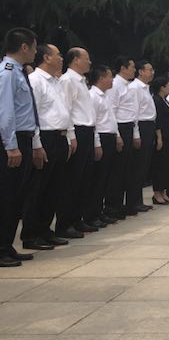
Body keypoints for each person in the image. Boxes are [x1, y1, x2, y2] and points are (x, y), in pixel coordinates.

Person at [21, 45, 74, 249]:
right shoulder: (35, 80)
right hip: (45, 137)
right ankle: (31, 234)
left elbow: (64, 110)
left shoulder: (56, 82)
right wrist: (36, 143)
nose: (61, 58)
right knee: (38, 188)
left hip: (59, 137)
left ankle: (45, 229)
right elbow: (32, 114)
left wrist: (68, 137)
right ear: (46, 58)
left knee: (54, 188)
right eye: (58, 55)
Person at [0, 28, 39, 266]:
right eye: (33, 47)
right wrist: (11, 146)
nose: (35, 51)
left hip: (24, 138)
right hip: (12, 141)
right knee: (7, 196)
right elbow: (5, 112)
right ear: (24, 47)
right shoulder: (7, 73)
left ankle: (7, 245)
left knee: (16, 197)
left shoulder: (18, 72)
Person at [58, 47, 100, 236]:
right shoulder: (67, 80)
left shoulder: (82, 81)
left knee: (84, 179)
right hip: (77, 131)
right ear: (75, 60)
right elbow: (65, 109)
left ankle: (77, 219)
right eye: (86, 58)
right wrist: (71, 136)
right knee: (72, 180)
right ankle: (65, 223)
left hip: (87, 131)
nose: (89, 62)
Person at [87, 65, 122, 227]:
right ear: (101, 78)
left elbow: (111, 118)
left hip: (110, 136)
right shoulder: (93, 96)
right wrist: (97, 143)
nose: (112, 79)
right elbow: (93, 122)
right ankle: (91, 214)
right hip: (100, 137)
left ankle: (99, 212)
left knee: (106, 178)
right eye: (109, 76)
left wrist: (117, 136)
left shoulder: (105, 96)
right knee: (97, 178)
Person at [107, 56, 140, 220]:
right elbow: (111, 111)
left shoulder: (129, 86)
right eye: (132, 67)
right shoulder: (115, 85)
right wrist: (117, 135)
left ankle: (124, 205)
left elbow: (133, 112)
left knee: (127, 169)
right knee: (117, 170)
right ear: (123, 68)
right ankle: (113, 206)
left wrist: (135, 134)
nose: (134, 70)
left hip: (129, 127)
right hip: (119, 127)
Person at [129, 60, 156, 214]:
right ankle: (133, 201)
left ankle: (138, 200)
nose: (152, 72)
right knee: (138, 166)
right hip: (141, 126)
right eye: (149, 69)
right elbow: (134, 112)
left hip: (149, 126)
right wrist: (136, 133)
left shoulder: (146, 88)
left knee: (144, 165)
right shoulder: (135, 88)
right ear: (140, 72)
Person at [151, 76, 169, 205]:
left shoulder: (165, 100)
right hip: (163, 137)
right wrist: (159, 137)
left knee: (168, 165)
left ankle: (163, 191)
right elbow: (158, 120)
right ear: (162, 87)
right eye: (168, 85)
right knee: (160, 165)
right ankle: (157, 193)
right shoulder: (157, 100)